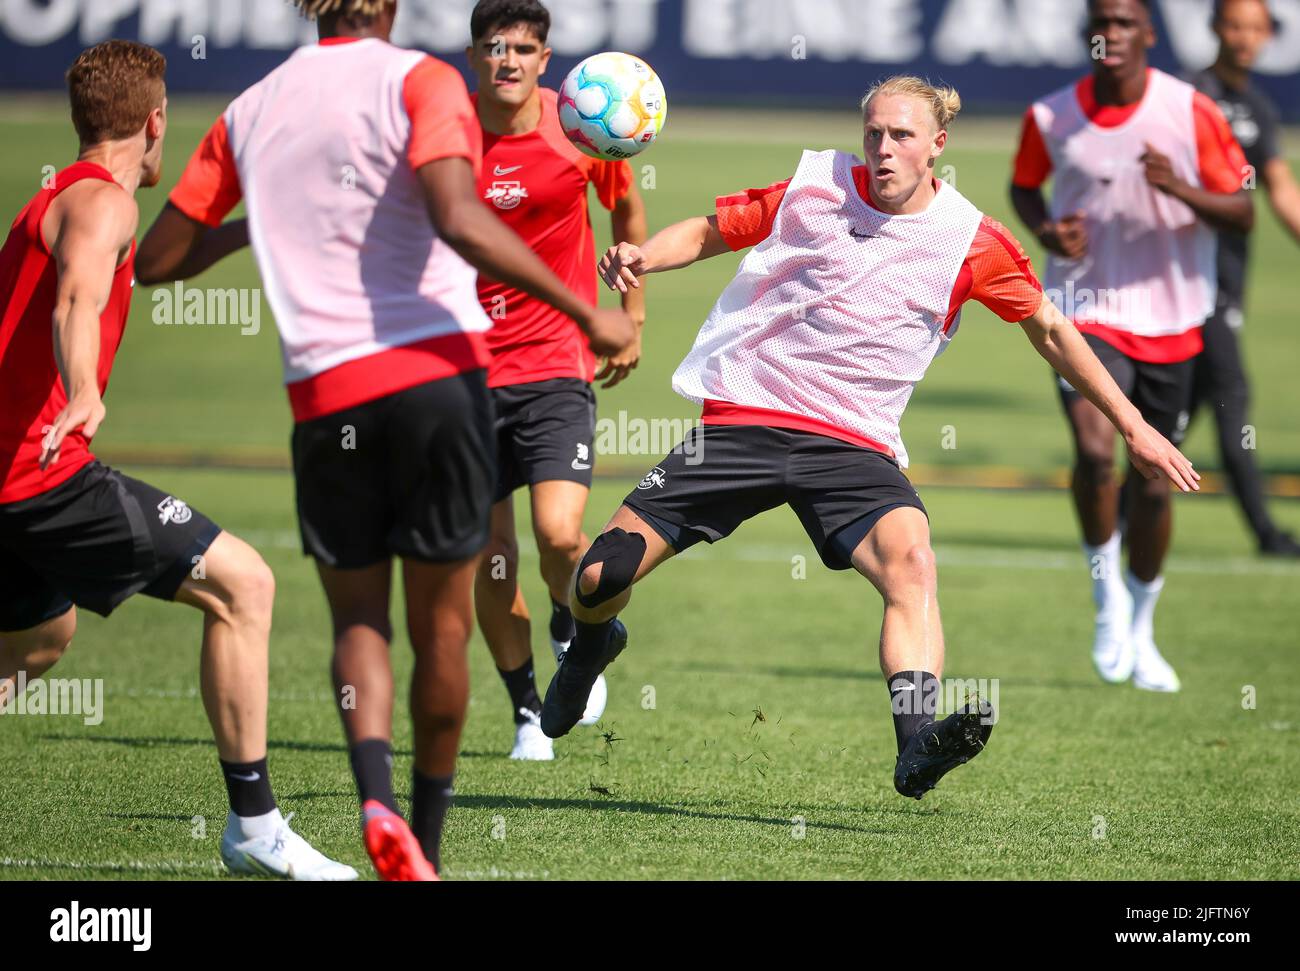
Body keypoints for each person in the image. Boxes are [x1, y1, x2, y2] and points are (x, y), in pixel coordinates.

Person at [540, 76, 1199, 802]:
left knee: (911, 562)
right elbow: (710, 229)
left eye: (903, 137)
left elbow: (1047, 326)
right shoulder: (814, 184)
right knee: (599, 578)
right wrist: (643, 257)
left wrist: (1134, 426)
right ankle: (593, 643)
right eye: (875, 133)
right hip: (744, 419)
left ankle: (917, 745)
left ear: (937, 146)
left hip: (852, 443)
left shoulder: (971, 241)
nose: (883, 150)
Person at [136, 0, 634, 879]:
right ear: (393, 8)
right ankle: (427, 847)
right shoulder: (425, 80)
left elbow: (157, 259)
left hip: (330, 400)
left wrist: (264, 223)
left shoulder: (251, 107)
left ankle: (376, 798)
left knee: (359, 620)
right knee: (443, 626)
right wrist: (586, 309)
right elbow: (455, 213)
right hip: (442, 383)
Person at [0, 39, 355, 881]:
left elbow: (137, 270)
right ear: (156, 122)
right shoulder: (102, 205)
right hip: (40, 475)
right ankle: (256, 825)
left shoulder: (59, 191)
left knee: (39, 639)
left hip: (11, 475)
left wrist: (245, 233)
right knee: (245, 584)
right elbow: (82, 294)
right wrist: (85, 388)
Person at [1011, 0, 1251, 692]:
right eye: (1100, 22)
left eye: (1124, 23)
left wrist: (1181, 187)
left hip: (1173, 320)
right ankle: (1105, 595)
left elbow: (1242, 205)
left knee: (1153, 483)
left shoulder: (1190, 110)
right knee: (1094, 451)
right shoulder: (1051, 115)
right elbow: (1025, 187)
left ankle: (1142, 622)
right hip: (1084, 313)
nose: (1110, 34)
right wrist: (1048, 231)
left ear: (1149, 32)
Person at [465, 0, 649, 762]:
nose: (508, 59)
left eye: (524, 48)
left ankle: (578, 630)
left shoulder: (580, 128)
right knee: (491, 556)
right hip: (458, 373)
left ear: (546, 60)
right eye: (494, 46)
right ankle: (526, 709)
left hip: (553, 364)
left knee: (561, 535)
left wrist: (630, 313)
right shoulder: (443, 134)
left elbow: (628, 210)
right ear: (475, 55)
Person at [1189, 0, 1300, 556]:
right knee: (1231, 396)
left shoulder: (1257, 107)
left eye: (1256, 27)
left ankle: (1118, 519)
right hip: (1184, 282)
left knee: (1176, 417)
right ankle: (1268, 535)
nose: (1245, 37)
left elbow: (1280, 186)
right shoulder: (1187, 95)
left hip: (1228, 280)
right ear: (1214, 28)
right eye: (1235, 24)